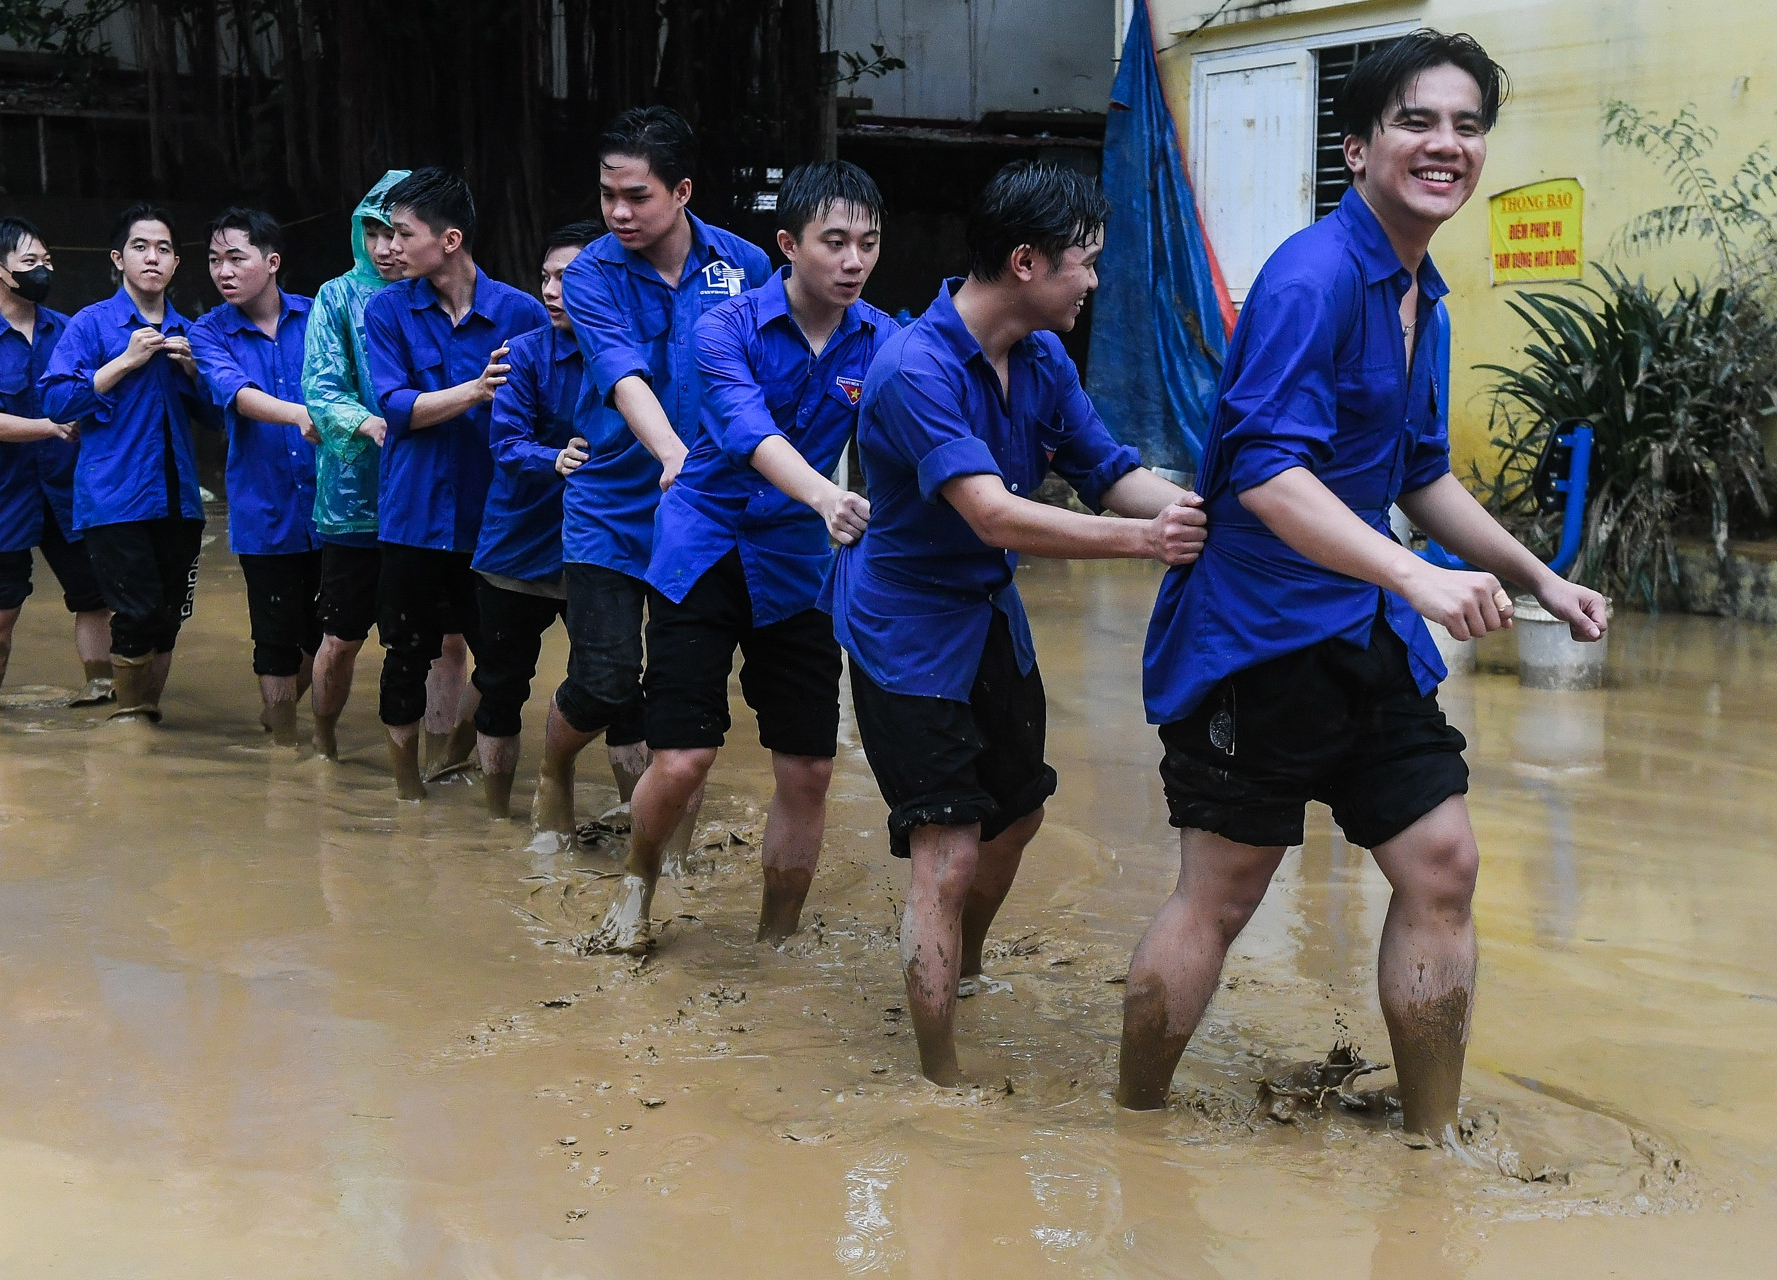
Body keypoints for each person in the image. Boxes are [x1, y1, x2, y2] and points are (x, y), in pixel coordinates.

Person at [1121, 32, 1607, 1138]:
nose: (1447, 145)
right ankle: (1132, 1132)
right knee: (1224, 893)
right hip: (1252, 643)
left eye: (1468, 124)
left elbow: (1418, 472)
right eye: (1419, 122)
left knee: (1442, 860)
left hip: (1361, 627)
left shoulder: (1419, 293)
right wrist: (1419, 580)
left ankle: (1433, 1144)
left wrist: (1538, 575)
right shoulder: (1315, 276)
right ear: (1359, 147)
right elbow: (1265, 477)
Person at [822, 160, 1207, 1086]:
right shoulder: (913, 369)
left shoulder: (1037, 357)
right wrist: (1143, 542)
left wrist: (1214, 517)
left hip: (991, 621)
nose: (1095, 281)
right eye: (1088, 262)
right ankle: (940, 1075)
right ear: (1027, 263)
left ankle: (964, 962)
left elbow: (1111, 471)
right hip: (907, 636)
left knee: (1021, 814)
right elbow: (993, 514)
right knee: (946, 857)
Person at [592, 161, 897, 955]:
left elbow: (920, 435)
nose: (853, 261)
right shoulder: (723, 328)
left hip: (796, 569)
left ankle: (777, 940)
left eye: (867, 243)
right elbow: (746, 431)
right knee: (687, 755)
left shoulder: (886, 341)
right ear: (788, 245)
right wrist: (828, 498)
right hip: (704, 547)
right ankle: (638, 880)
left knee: (808, 769)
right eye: (835, 242)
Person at [540, 105, 773, 841]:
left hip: (706, 516)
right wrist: (674, 452)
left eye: (636, 195)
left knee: (684, 693)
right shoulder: (592, 277)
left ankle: (666, 852)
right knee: (604, 678)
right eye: (608, 194)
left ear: (682, 192)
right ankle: (552, 777)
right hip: (611, 508)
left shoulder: (747, 267)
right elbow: (621, 374)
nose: (617, 211)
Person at [364, 167, 549, 799]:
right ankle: (407, 793)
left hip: (494, 523)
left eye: (402, 233)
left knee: (500, 665)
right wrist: (474, 390)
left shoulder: (522, 313)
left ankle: (475, 778)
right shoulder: (385, 309)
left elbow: (537, 413)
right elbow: (395, 408)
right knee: (404, 656)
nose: (390, 246)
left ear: (449, 240)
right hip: (411, 518)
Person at [469, 219, 621, 818]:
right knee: (500, 689)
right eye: (547, 277)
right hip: (518, 551)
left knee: (619, 696)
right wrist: (552, 458)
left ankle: (641, 828)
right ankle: (493, 825)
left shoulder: (632, 357)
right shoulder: (526, 354)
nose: (553, 291)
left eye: (570, 277)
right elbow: (505, 443)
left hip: (604, 553)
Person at [41, 204, 207, 723]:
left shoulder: (193, 331)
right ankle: (131, 729)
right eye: (140, 247)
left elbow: (221, 417)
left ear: (177, 263)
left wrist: (197, 373)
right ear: (118, 259)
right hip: (114, 498)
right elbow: (55, 403)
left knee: (167, 621)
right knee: (134, 615)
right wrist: (124, 362)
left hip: (179, 501)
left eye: (163, 249)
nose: (152, 258)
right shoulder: (91, 324)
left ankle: (145, 717)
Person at [0, 216, 114, 712]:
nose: (43, 269)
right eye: (30, 262)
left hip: (68, 490)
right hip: (1, 494)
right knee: (1, 604)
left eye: (47, 260)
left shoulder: (69, 330)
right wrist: (51, 426)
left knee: (93, 596)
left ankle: (100, 690)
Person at [190, 207, 321, 746]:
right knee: (272, 636)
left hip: (332, 504)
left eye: (235, 258)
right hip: (262, 507)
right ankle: (284, 747)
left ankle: (281, 719)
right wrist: (299, 413)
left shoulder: (319, 316)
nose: (223, 271)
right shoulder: (207, 332)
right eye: (215, 260)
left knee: (332, 628)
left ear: (271, 262)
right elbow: (237, 396)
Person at [301, 170, 409, 761]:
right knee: (341, 637)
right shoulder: (336, 296)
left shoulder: (438, 297)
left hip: (426, 500)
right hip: (352, 500)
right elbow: (320, 385)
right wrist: (367, 422)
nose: (386, 247)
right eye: (373, 232)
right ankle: (323, 747)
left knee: (438, 640)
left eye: (397, 233)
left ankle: (440, 754)